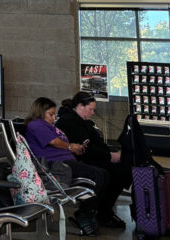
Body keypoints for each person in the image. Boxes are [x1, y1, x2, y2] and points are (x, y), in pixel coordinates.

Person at [25, 96, 108, 237]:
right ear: (40, 112)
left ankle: (90, 212)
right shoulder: (36, 124)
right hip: (55, 165)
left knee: (104, 174)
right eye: (50, 115)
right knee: (98, 175)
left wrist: (76, 149)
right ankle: (84, 213)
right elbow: (53, 141)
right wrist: (70, 147)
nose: (53, 118)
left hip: (67, 162)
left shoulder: (49, 126)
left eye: (54, 115)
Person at [55, 92, 130, 229]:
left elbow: (95, 145)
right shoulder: (69, 121)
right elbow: (86, 150)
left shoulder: (82, 121)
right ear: (79, 106)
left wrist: (109, 154)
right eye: (90, 109)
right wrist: (109, 157)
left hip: (88, 158)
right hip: (77, 161)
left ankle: (103, 211)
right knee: (112, 172)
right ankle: (100, 212)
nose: (92, 113)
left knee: (121, 170)